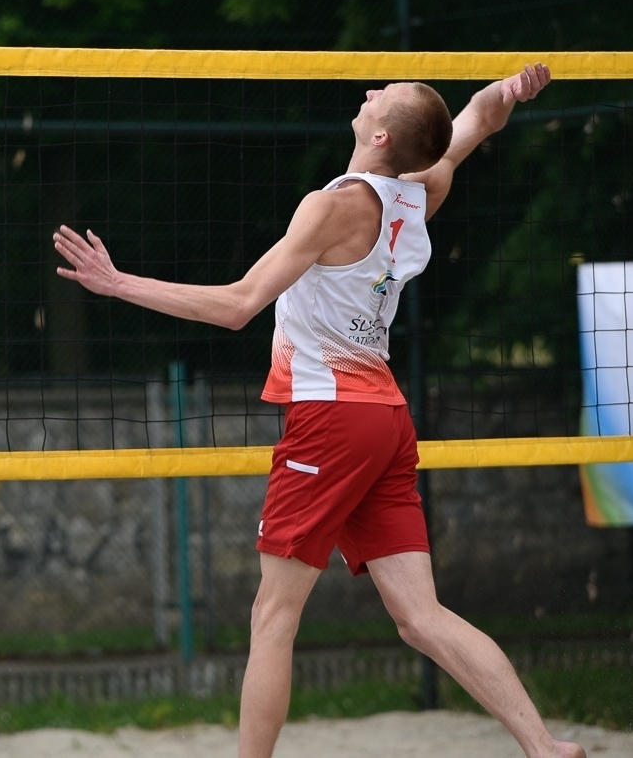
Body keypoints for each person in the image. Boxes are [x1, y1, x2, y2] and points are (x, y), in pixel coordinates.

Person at [54, 65, 585, 758]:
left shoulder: (330, 206)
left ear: (383, 132)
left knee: (273, 616)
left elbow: (240, 304)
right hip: (386, 421)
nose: (366, 93)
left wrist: (119, 284)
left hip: (331, 419)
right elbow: (477, 121)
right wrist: (511, 91)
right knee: (421, 616)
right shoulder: (422, 190)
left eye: (379, 97)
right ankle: (542, 745)